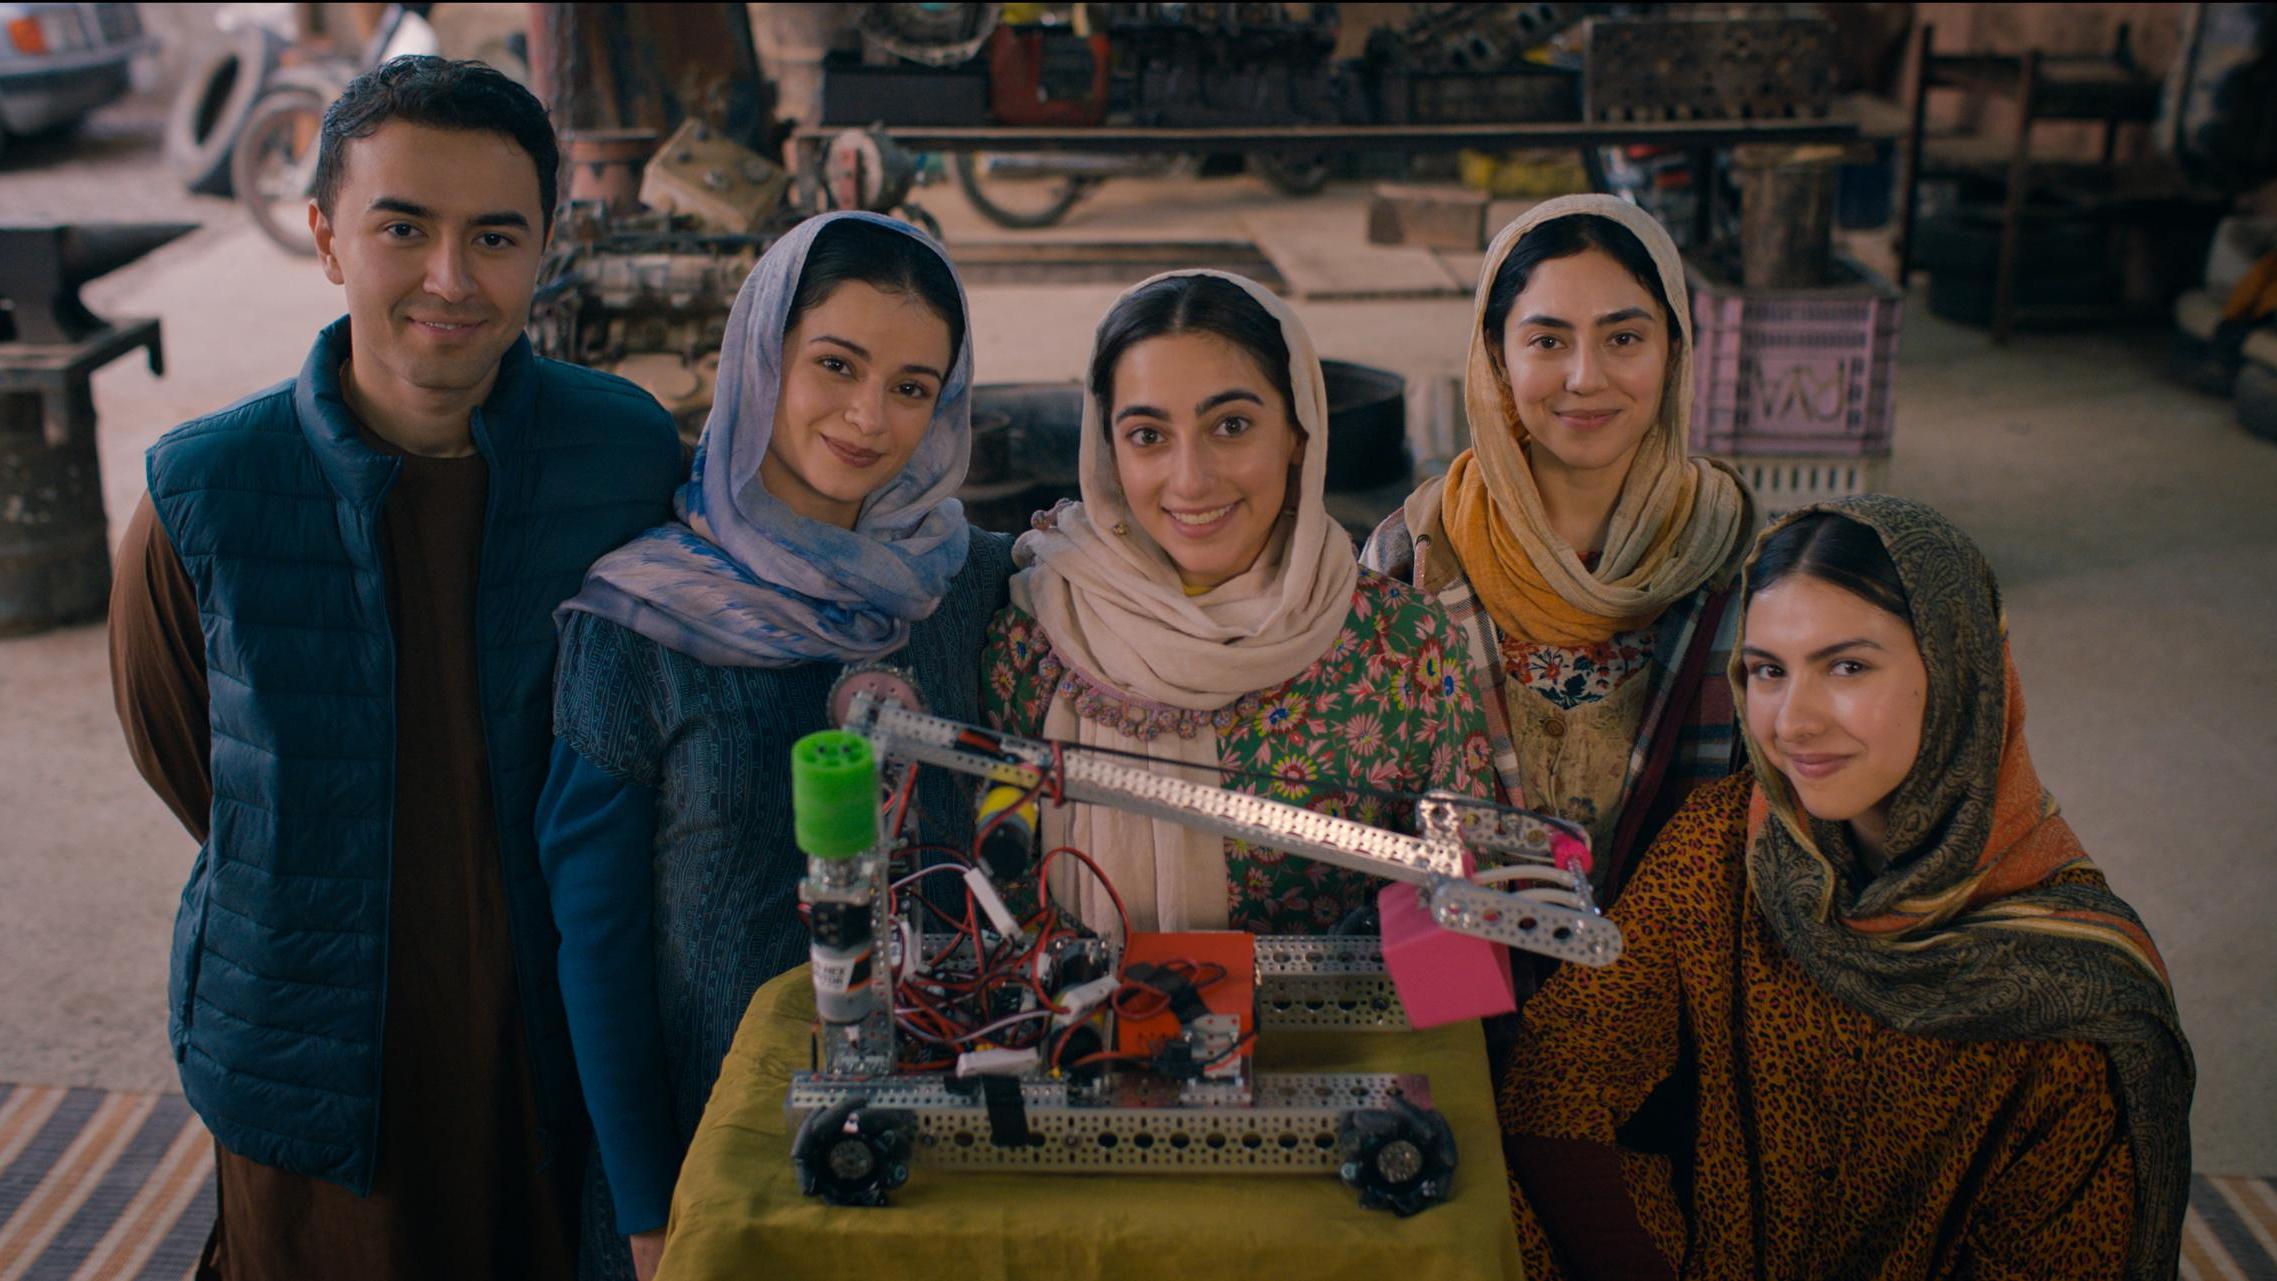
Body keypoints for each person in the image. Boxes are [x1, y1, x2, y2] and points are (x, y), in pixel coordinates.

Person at [107, 56, 685, 1280]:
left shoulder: (622, 456)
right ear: (325, 236)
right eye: (402, 228)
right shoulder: (206, 492)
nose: (450, 279)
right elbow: (190, 758)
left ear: (546, 247)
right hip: (309, 1048)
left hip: (558, 1053)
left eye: (494, 236)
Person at [1497, 496, 2194, 1281]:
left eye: (1847, 666)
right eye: (1767, 670)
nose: (1792, 722)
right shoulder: (1735, 842)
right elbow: (1558, 1074)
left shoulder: (2071, 1006)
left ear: (1957, 669)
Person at [536, 212, 1013, 1279]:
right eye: (835, 365)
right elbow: (597, 947)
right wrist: (650, 1204)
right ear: (761, 356)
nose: (868, 417)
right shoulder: (638, 621)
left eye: (911, 386)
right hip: (714, 1153)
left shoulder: (964, 584)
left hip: (937, 1132)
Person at [983, 270, 1491, 935]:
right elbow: (991, 909)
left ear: (1297, 435)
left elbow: (1461, 933)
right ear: (1106, 450)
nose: (1190, 478)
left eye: (1230, 425)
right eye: (1147, 435)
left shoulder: (1405, 652)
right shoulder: (1036, 634)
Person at [1363, 194, 1755, 907]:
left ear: (1674, 350)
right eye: (1546, 341)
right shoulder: (1414, 555)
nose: (1584, 377)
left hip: (1674, 977)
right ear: (1495, 357)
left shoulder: (1741, 558)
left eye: (1624, 338)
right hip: (1464, 982)